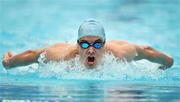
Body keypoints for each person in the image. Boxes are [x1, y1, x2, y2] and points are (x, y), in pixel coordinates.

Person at [2, 19, 173, 70]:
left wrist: (168, 63)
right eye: (84, 45)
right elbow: (33, 54)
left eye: (97, 45)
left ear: (105, 45)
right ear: (77, 45)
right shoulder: (62, 56)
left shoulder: (120, 53)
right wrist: (9, 62)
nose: (91, 49)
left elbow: (146, 50)